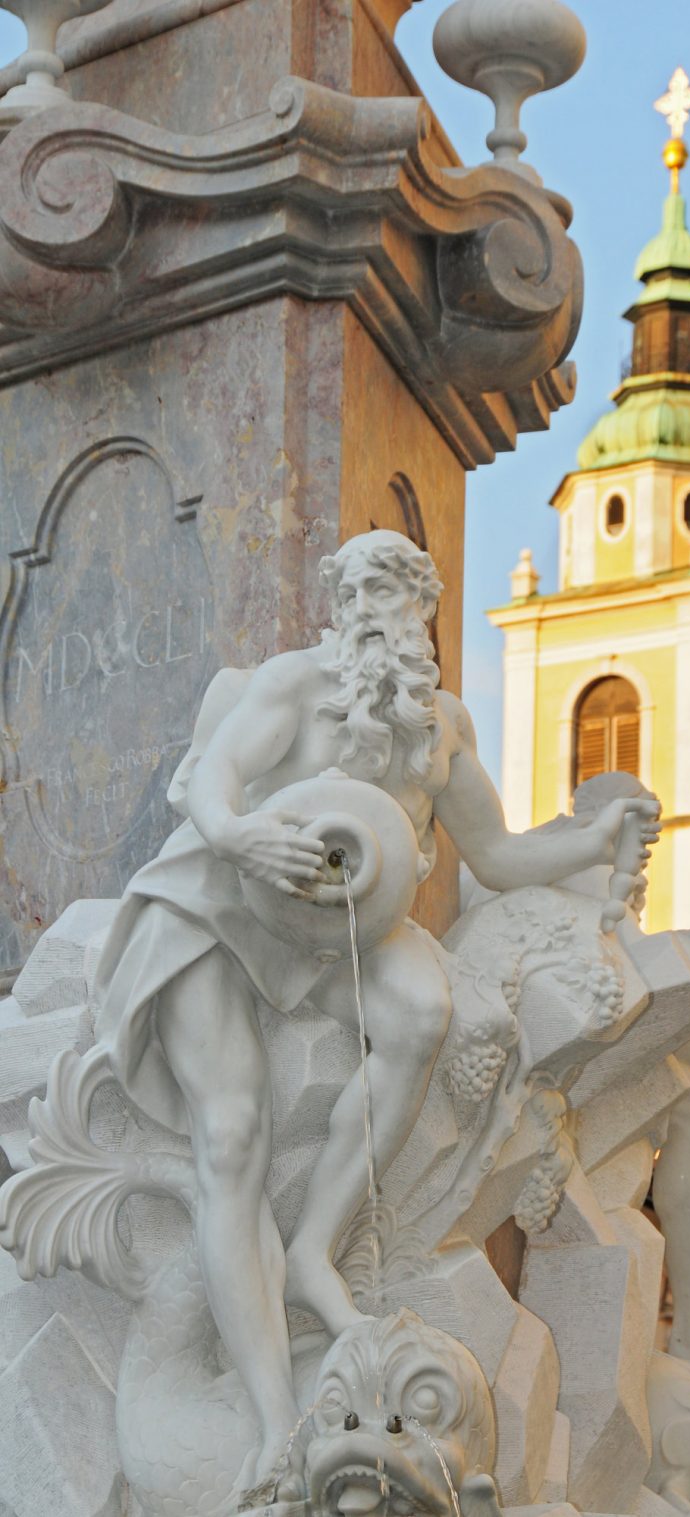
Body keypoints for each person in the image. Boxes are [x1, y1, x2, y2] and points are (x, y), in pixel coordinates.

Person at [94, 529, 658, 1498]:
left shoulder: (438, 729)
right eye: (367, 590)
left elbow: (495, 857)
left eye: (405, 598)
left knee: (424, 1007)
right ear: (339, 604)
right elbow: (207, 785)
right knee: (230, 1135)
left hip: (341, 930)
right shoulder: (293, 685)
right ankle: (275, 1414)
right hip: (225, 906)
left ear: (424, 620)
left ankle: (314, 1244)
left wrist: (591, 837)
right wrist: (243, 838)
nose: (385, 614)